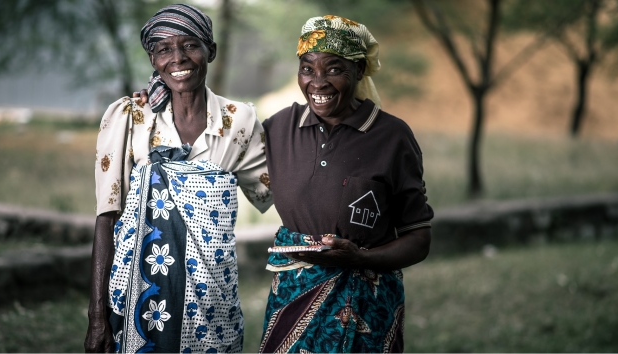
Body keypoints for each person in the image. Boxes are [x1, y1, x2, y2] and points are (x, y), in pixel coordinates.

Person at [84, 4, 272, 353]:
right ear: (152, 60)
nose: (178, 58)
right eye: (163, 49)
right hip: (140, 301)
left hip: (214, 303)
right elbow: (107, 217)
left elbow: (273, 192)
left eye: (190, 45)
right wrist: (97, 317)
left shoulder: (239, 121)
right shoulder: (131, 118)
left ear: (210, 51)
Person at [257, 15, 434, 353]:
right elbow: (217, 131)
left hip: (367, 308)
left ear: (359, 71)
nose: (318, 82)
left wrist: (359, 259)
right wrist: (155, 98)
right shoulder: (279, 129)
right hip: (292, 299)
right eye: (307, 69)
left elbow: (419, 238)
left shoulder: (391, 137)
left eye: (334, 69)